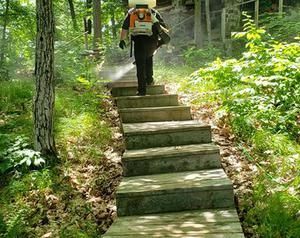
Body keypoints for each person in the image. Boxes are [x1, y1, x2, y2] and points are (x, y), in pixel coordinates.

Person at [119, 5, 169, 96]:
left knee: (140, 65)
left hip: (139, 42)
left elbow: (125, 27)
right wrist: (161, 41)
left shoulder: (131, 13)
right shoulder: (153, 12)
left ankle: (142, 90)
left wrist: (122, 39)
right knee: (148, 58)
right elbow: (163, 28)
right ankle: (149, 80)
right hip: (151, 42)